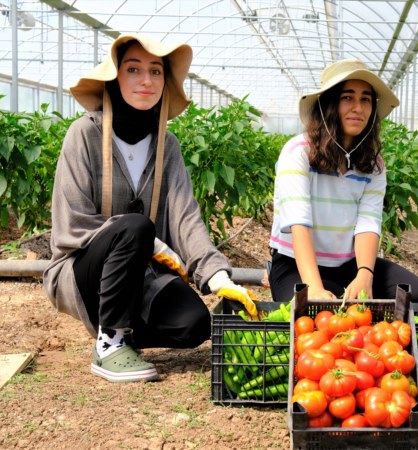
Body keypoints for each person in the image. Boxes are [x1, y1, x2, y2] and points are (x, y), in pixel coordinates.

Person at [43, 33, 257, 383]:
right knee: (136, 227)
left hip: (140, 274)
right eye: (133, 69)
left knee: (194, 325)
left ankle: (123, 332)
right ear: (115, 78)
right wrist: (150, 242)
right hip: (82, 269)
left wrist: (218, 277)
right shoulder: (83, 135)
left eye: (156, 71)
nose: (147, 80)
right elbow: (73, 225)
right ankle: (109, 343)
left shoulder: (166, 145)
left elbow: (186, 217)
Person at [268, 59, 418, 303]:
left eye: (365, 99)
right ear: (329, 105)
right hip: (295, 264)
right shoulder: (298, 152)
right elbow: (299, 222)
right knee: (327, 307)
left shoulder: (373, 164)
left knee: (416, 296)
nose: (358, 107)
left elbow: (368, 221)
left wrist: (365, 274)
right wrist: (313, 287)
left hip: (347, 263)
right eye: (348, 97)